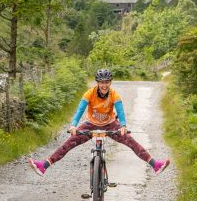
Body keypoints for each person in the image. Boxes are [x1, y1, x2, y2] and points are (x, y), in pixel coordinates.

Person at [27, 68, 170, 176]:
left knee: (131, 142)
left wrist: (124, 126)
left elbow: (120, 112)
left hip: (110, 124)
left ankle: (155, 165)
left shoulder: (114, 95)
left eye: (107, 82)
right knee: (69, 143)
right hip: (91, 124)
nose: (104, 85)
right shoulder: (89, 93)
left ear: (110, 82)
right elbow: (79, 110)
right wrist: (73, 125)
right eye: (102, 82)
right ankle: (44, 165)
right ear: (98, 83)